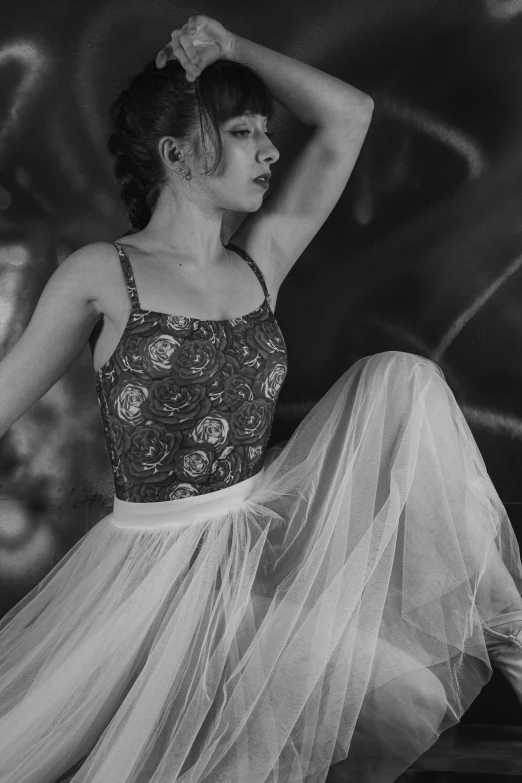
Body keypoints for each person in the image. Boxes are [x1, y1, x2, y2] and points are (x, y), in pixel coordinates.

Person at [0, 13, 522, 783]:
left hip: (260, 543)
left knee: (402, 380)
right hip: (155, 572)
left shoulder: (260, 263)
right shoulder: (103, 272)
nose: (270, 150)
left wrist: (234, 50)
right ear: (178, 154)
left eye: (263, 131)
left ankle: (511, 625)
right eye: (243, 131)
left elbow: (351, 116)